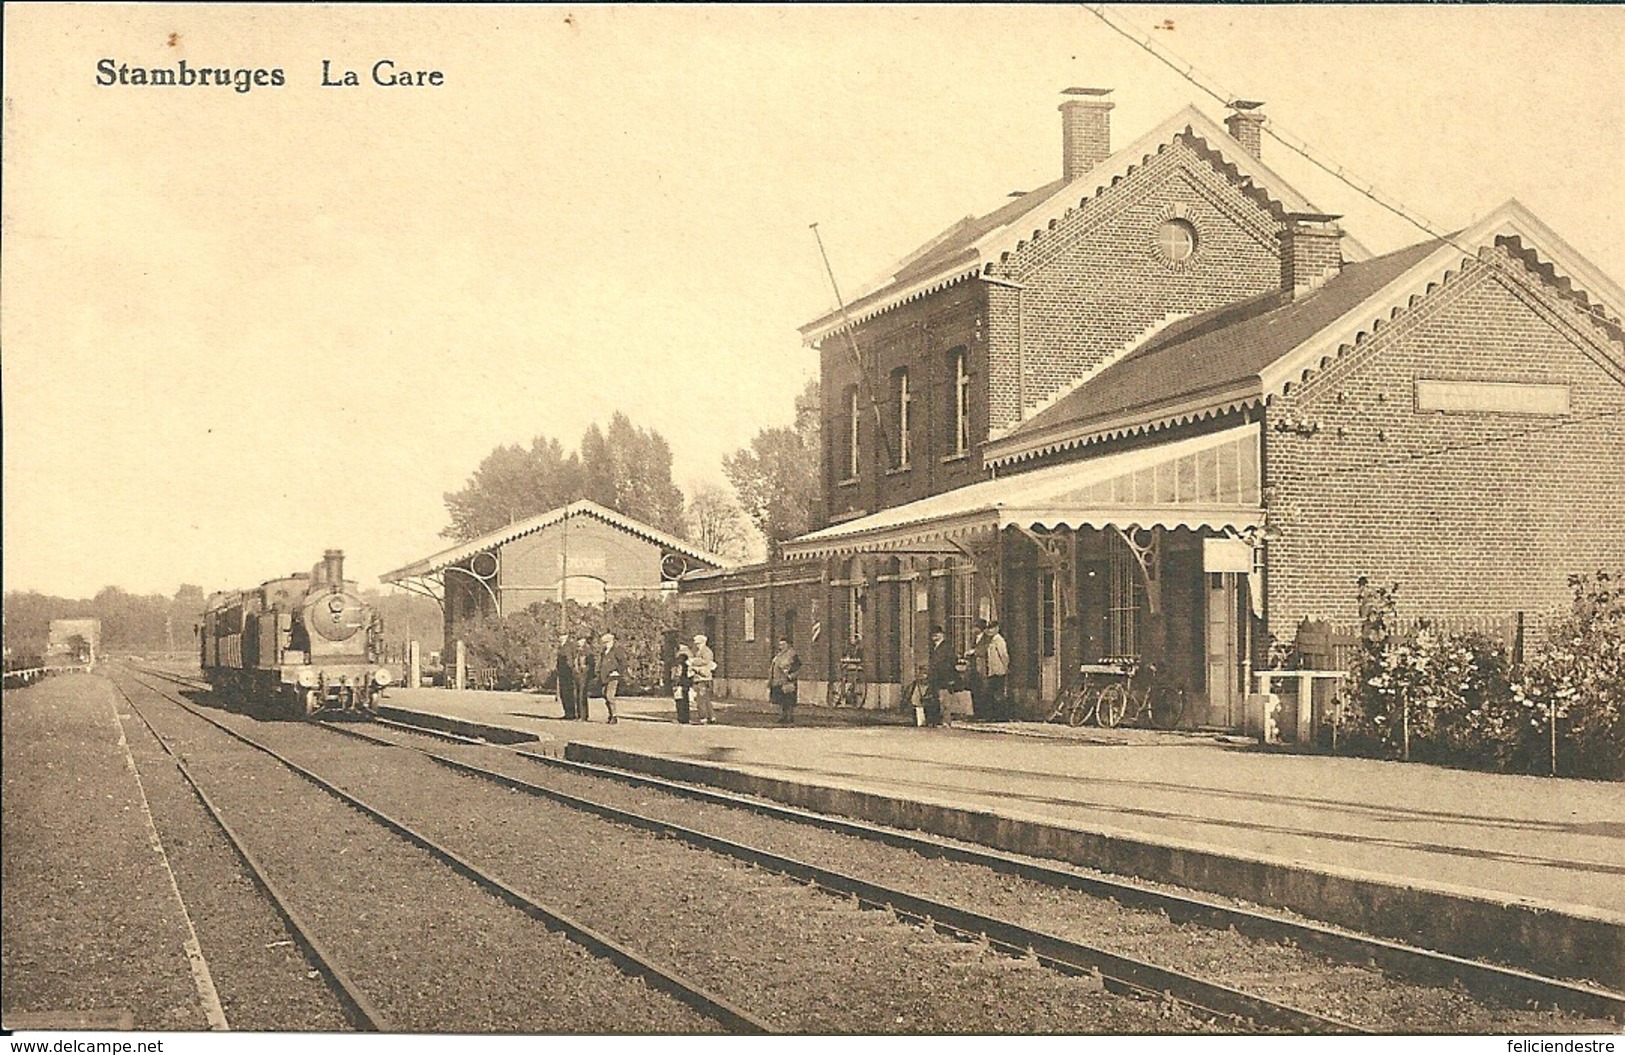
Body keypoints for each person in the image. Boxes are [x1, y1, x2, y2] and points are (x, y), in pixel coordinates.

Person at [925, 624, 958, 728]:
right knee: (937, 699)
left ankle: (946, 721)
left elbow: (952, 661)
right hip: (936, 678)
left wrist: (949, 677)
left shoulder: (946, 647)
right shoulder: (935, 647)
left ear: (942, 634)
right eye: (933, 635)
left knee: (945, 701)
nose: (934, 636)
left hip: (944, 677)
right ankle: (937, 720)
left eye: (936, 634)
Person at [768, 636, 802, 725]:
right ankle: (782, 716)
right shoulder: (778, 655)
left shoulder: (792, 654)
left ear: (788, 645)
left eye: (783, 644)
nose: (781, 646)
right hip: (778, 680)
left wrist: (791, 676)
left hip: (787, 681)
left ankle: (789, 716)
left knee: (788, 699)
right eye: (780, 644)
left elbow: (797, 667)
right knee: (780, 700)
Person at [598, 632, 627, 724]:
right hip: (604, 676)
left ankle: (614, 716)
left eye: (607, 642)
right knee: (604, 695)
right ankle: (610, 715)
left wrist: (618, 672)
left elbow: (623, 663)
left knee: (609, 695)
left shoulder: (617, 651)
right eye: (604, 643)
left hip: (613, 676)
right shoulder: (604, 652)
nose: (605, 644)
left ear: (611, 641)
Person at [984, 619, 1009, 720]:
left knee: (997, 694)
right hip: (993, 671)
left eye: (992, 629)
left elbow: (1004, 655)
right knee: (992, 694)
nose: (989, 631)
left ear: (997, 629)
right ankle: (994, 715)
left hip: (999, 671)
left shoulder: (999, 640)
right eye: (988, 629)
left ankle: (1000, 716)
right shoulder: (992, 640)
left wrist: (1005, 667)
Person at [690, 633, 716, 724]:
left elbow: (705, 661)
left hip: (704, 677)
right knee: (705, 699)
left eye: (698, 643)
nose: (697, 645)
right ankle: (711, 716)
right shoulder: (699, 651)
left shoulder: (706, 651)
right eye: (696, 644)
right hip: (701, 677)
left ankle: (703, 717)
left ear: (703, 643)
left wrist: (693, 661)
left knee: (700, 699)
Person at [969, 618, 991, 719]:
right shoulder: (974, 639)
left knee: (983, 690)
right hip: (974, 668)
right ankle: (976, 713)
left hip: (983, 668)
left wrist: (974, 652)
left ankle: (983, 714)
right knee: (975, 690)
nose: (973, 629)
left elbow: (984, 651)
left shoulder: (987, 638)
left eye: (975, 627)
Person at [554, 631, 578, 720]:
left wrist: (572, 670)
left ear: (566, 636)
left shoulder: (570, 646)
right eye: (559, 636)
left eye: (562, 636)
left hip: (568, 673)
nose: (560, 638)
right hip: (562, 673)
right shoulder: (561, 647)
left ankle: (571, 713)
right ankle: (567, 713)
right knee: (563, 693)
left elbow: (572, 659)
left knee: (569, 694)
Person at [671, 643, 693, 725]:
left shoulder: (680, 658)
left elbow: (678, 671)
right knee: (685, 700)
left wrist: (675, 680)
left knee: (680, 700)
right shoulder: (688, 656)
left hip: (680, 682)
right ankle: (685, 718)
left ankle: (681, 718)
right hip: (685, 681)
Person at [573, 635, 593, 721]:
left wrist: (585, 669)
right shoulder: (577, 651)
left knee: (582, 695)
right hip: (577, 675)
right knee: (577, 695)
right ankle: (578, 714)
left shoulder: (588, 652)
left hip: (584, 676)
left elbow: (591, 664)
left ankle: (583, 715)